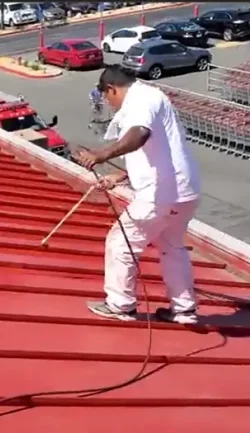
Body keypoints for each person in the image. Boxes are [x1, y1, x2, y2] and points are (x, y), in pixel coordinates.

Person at [72, 65, 201, 325]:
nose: (109, 103)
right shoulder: (153, 97)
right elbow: (157, 152)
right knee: (172, 247)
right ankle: (183, 310)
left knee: (121, 241)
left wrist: (101, 155)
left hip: (160, 195)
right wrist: (119, 176)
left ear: (111, 89)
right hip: (184, 193)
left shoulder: (140, 100)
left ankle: (120, 305)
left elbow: (139, 135)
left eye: (107, 97)